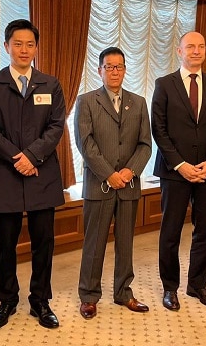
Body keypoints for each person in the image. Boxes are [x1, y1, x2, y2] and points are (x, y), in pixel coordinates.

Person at [0, 19, 65, 329]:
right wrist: (18, 156)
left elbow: (56, 127)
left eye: (29, 44)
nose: (24, 49)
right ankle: (7, 300)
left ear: (36, 48)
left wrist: (32, 155)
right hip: (6, 173)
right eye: (18, 44)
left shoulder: (50, 84)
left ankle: (40, 301)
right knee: (5, 244)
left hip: (42, 173)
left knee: (44, 243)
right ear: (6, 47)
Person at [151, 31, 206, 311]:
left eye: (201, 46)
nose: (196, 51)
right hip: (175, 172)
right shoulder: (164, 84)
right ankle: (169, 288)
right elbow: (158, 129)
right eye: (190, 47)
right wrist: (181, 165)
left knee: (204, 231)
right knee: (170, 232)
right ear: (179, 51)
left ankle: (197, 285)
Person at [74, 47, 152, 319]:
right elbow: (86, 144)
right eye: (109, 66)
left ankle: (123, 293)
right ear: (100, 70)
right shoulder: (86, 101)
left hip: (129, 185)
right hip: (99, 184)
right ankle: (89, 295)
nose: (114, 71)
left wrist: (130, 171)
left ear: (125, 70)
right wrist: (109, 174)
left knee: (126, 242)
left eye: (119, 67)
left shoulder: (139, 102)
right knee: (94, 243)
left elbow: (145, 144)